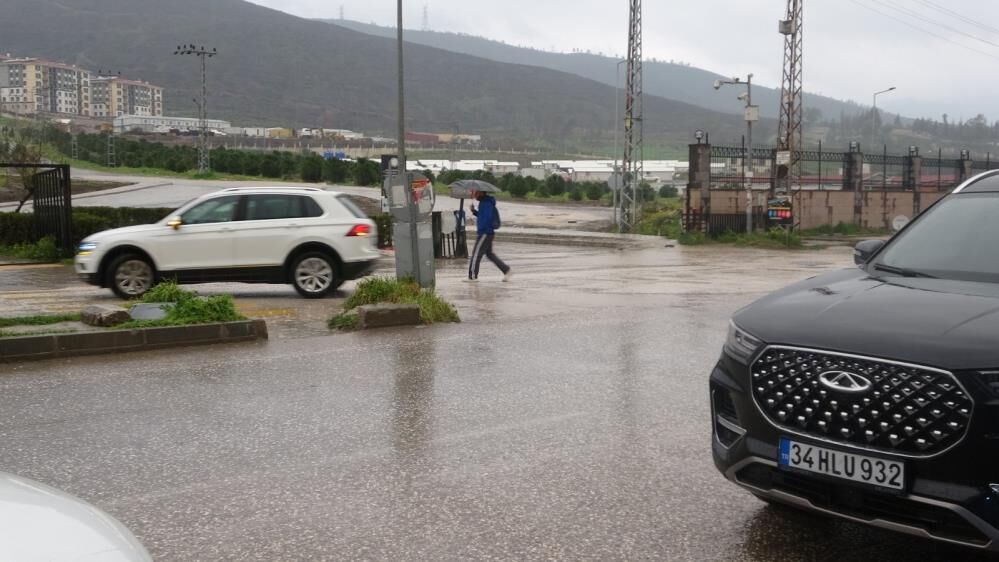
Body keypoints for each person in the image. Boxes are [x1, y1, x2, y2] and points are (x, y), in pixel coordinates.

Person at [468, 190, 512, 282]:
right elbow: (482, 216)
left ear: (482, 193)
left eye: (476, 193)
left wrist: (482, 230)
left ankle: (472, 277)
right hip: (487, 233)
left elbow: (487, 218)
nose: (475, 195)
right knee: (490, 254)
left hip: (485, 233)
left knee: (476, 254)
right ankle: (506, 270)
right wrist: (474, 211)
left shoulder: (486, 203)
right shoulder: (484, 202)